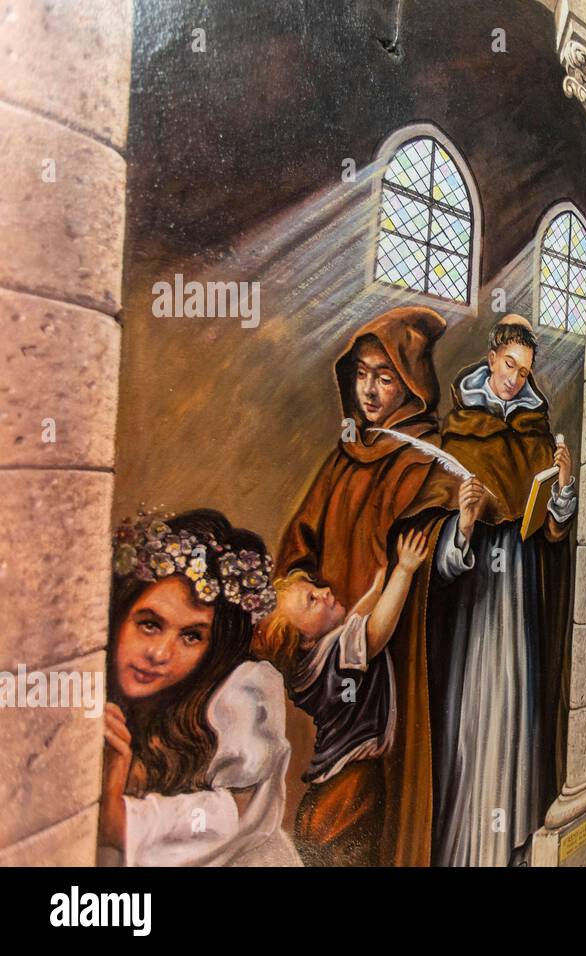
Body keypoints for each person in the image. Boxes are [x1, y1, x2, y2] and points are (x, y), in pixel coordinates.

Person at [389, 315, 575, 867]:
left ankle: (514, 845)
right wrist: (464, 526)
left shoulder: (536, 431)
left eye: (525, 371)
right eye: (509, 365)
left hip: (520, 599)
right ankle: (469, 852)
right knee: (472, 727)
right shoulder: (461, 429)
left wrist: (562, 492)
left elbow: (551, 530)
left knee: (518, 715)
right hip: (473, 613)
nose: (516, 379)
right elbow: (438, 568)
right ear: (492, 360)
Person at [276, 304, 444, 866]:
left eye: (385, 375)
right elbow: (299, 543)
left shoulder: (428, 460)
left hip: (397, 651)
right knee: (337, 802)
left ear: (412, 384)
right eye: (362, 374)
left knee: (380, 796)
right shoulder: (344, 457)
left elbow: (439, 559)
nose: (370, 390)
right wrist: (305, 595)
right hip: (336, 651)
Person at [98, 509, 300, 867]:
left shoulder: (239, 701)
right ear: (121, 615)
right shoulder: (88, 686)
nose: (159, 654)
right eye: (149, 624)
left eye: (191, 636)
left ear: (213, 649)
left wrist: (116, 806)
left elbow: (228, 822)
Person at [254, 529, 430, 866]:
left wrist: (376, 590)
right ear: (301, 638)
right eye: (311, 601)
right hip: (353, 778)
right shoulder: (337, 651)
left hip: (327, 784)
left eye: (315, 588)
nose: (323, 593)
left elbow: (352, 625)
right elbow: (373, 632)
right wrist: (404, 571)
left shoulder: (305, 674)